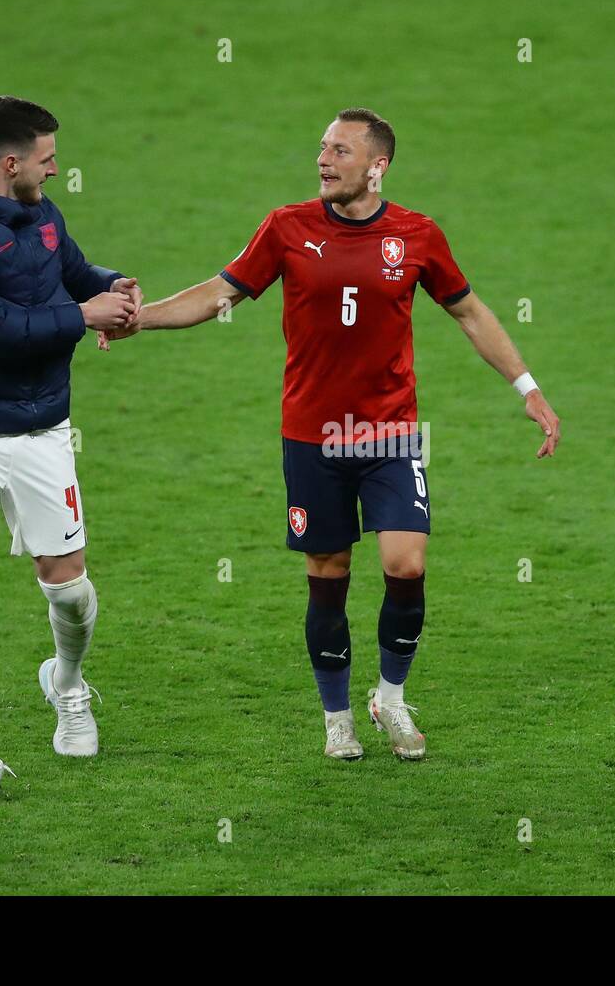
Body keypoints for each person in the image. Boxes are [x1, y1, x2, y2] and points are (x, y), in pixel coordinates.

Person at [108, 107, 560, 760]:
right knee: (331, 574)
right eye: (322, 147)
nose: (324, 160)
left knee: (407, 564)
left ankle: (392, 698)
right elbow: (219, 293)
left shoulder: (417, 235)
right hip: (312, 438)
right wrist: (140, 320)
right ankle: (336, 716)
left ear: (378, 167)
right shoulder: (287, 228)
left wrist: (528, 388)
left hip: (389, 435)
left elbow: (469, 311)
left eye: (340, 151)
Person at [0, 96, 140, 800]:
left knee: (69, 590)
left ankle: (66, 684)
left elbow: (66, 268)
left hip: (42, 430)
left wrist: (109, 288)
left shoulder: (41, 211)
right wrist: (83, 315)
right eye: (47, 157)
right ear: (10, 164)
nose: (56, 166)